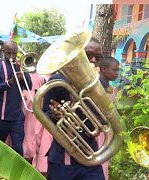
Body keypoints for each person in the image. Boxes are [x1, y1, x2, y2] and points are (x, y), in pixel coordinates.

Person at [44, 37, 105, 180]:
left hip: (90, 156)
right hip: (61, 158)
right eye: (89, 55)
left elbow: (104, 118)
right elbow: (43, 113)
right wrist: (55, 115)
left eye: (98, 57)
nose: (94, 60)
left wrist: (100, 122)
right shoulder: (57, 81)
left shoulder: (98, 84)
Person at [0, 40, 32, 156]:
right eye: (9, 53)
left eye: (14, 53)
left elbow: (30, 86)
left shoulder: (20, 67)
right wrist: (10, 82)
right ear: (3, 52)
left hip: (16, 117)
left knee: (18, 150)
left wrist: (24, 74)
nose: (12, 56)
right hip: (0, 117)